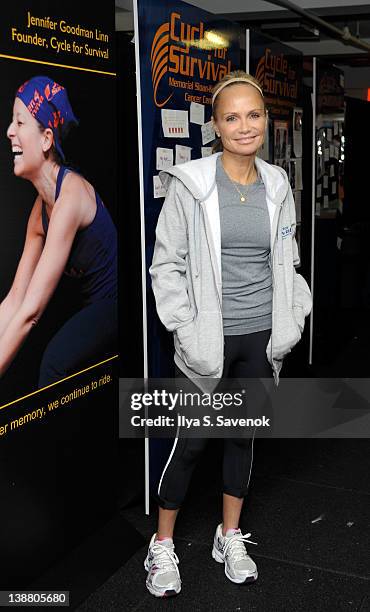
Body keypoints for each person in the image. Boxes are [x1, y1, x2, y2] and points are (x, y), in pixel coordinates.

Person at [147, 70, 312, 598]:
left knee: (241, 436)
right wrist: (185, 327)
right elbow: (165, 264)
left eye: (254, 115)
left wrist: (295, 311)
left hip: (260, 339)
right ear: (216, 126)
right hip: (206, 344)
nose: (245, 126)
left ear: (266, 120)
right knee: (192, 444)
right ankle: (162, 545)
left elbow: (286, 257)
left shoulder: (278, 184)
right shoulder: (192, 186)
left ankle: (229, 535)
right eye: (233, 117)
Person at [0, 76, 117, 385]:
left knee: (53, 362)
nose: (10, 131)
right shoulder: (40, 213)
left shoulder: (71, 196)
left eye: (20, 122)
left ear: (46, 139)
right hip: (91, 307)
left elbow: (30, 313)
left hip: (117, 303)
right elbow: (14, 300)